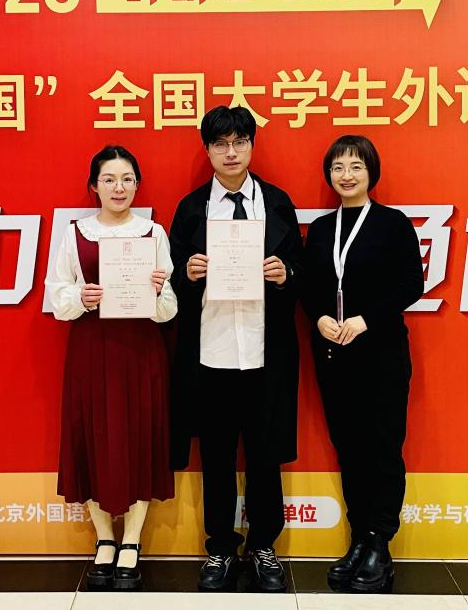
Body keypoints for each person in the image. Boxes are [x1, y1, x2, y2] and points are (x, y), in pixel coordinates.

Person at [168, 105, 304, 592]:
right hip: (212, 352)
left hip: (266, 352)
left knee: (266, 457)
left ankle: (264, 545)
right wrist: (188, 274)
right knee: (218, 458)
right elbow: (167, 281)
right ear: (208, 150)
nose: (231, 152)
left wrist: (286, 274)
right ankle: (221, 547)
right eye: (221, 144)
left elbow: (303, 272)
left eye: (239, 142)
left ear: (251, 146)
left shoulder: (277, 203)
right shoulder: (191, 209)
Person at [45, 145, 178, 591]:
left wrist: (158, 290)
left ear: (137, 185)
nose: (119, 188)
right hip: (91, 348)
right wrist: (80, 298)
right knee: (92, 436)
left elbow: (170, 306)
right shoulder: (75, 234)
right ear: (94, 186)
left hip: (141, 350)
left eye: (127, 179)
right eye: (109, 179)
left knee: (140, 438)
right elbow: (56, 294)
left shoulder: (153, 233)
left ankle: (132, 540)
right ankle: (104, 538)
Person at [299, 135, 424, 592]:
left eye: (356, 166)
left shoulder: (393, 224)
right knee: (349, 450)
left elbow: (412, 284)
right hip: (334, 356)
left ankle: (379, 544)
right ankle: (358, 539)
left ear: (371, 172)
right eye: (338, 167)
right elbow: (309, 286)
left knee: (382, 450)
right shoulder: (321, 228)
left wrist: (365, 319)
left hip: (381, 355)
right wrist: (319, 317)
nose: (346, 175)